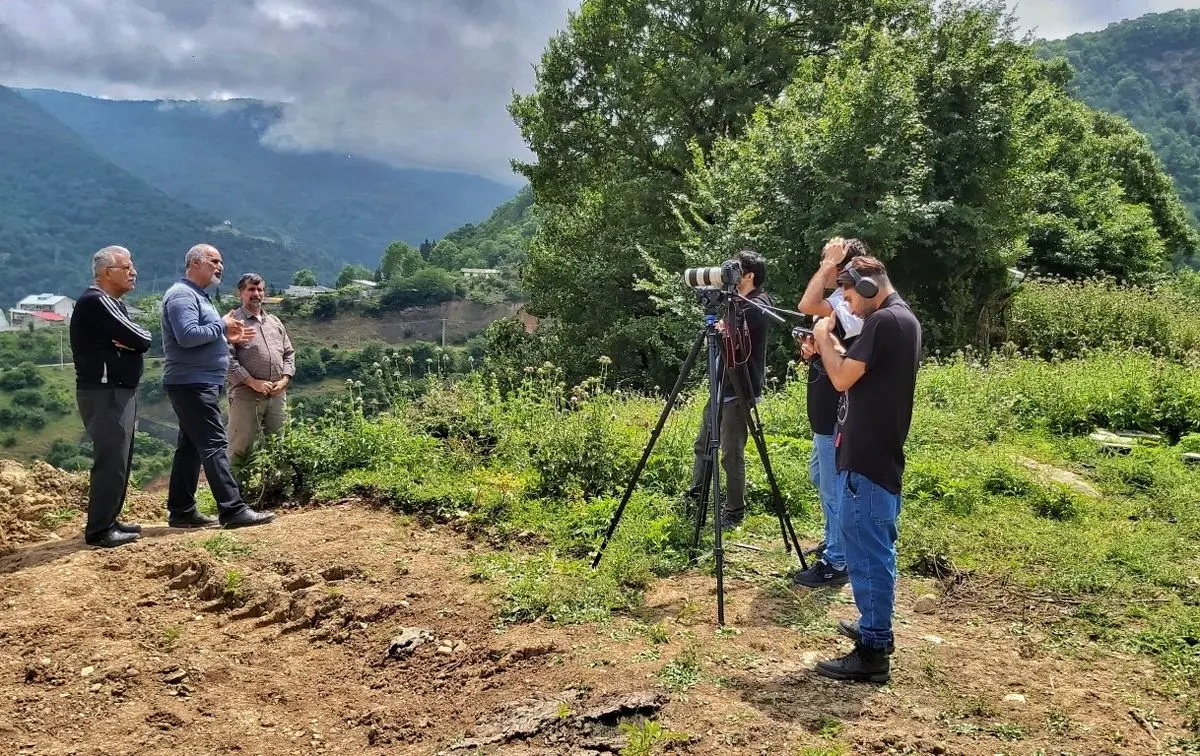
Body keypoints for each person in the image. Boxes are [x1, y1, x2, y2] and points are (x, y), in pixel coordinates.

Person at [811, 255, 921, 683]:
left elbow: (840, 379)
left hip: (869, 461)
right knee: (872, 552)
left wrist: (823, 337)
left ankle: (873, 650)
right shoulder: (898, 321)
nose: (849, 308)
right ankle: (875, 628)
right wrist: (829, 348)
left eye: (852, 297)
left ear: (871, 287)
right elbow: (854, 371)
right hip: (872, 456)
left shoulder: (885, 323)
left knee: (870, 556)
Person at [160, 244, 276, 530]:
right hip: (191, 382)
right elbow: (186, 336)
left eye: (221, 261)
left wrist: (227, 337)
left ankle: (182, 510)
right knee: (213, 443)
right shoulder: (181, 296)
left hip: (200, 381)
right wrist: (222, 327)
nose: (220, 266)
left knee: (189, 448)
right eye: (214, 261)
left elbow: (204, 336)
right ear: (195, 263)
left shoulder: (200, 296)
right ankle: (232, 509)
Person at [791, 237, 866, 588]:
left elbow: (807, 302)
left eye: (829, 258)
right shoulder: (841, 302)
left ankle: (837, 559)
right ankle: (836, 540)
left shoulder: (847, 302)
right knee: (821, 478)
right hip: (823, 408)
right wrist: (815, 348)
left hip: (835, 406)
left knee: (833, 485)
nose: (823, 262)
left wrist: (829, 265)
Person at [69, 246, 153, 548]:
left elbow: (135, 336)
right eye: (127, 267)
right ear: (107, 272)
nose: (134, 272)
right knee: (111, 459)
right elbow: (143, 339)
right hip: (105, 392)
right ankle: (100, 530)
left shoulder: (112, 304)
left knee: (121, 458)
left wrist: (129, 340)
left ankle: (111, 519)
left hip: (117, 391)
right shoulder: (97, 302)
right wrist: (130, 341)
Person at [688, 250, 772, 528]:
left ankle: (734, 511)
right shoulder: (737, 302)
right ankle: (696, 497)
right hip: (720, 385)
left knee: (730, 452)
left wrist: (726, 324)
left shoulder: (757, 305)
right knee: (703, 444)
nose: (730, 275)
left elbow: (734, 336)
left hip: (738, 389)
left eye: (736, 270)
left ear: (749, 275)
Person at [226, 273, 295, 461]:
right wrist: (252, 382)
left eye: (260, 289)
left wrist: (285, 380)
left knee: (278, 448)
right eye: (251, 289)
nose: (256, 293)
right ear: (240, 293)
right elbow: (228, 358)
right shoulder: (234, 322)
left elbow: (289, 353)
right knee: (241, 450)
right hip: (246, 397)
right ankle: (236, 490)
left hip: (277, 395)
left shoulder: (274, 322)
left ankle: (274, 489)